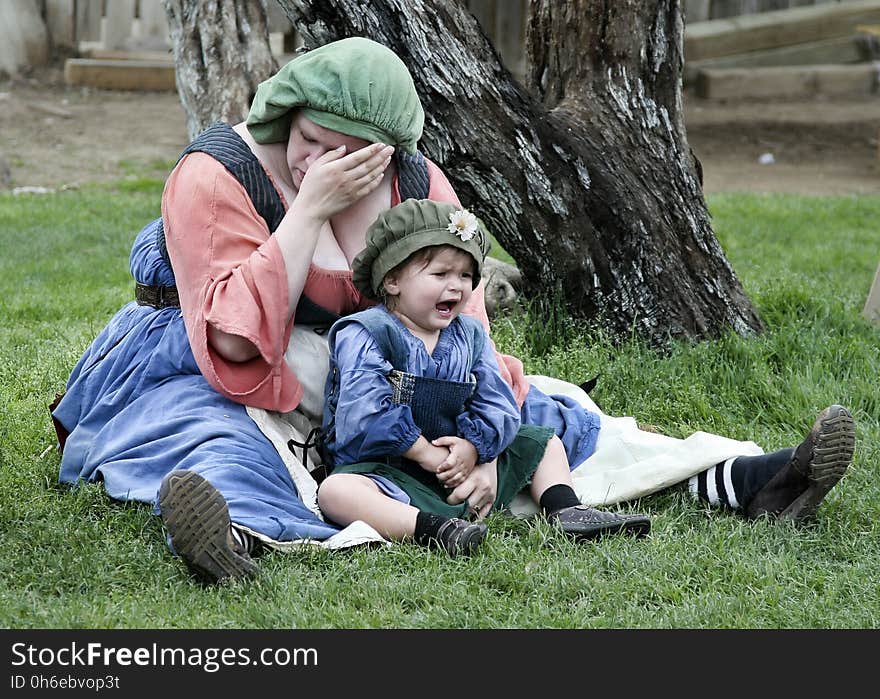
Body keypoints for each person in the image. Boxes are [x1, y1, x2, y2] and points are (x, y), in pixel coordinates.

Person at [50, 37, 856, 585]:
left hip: (383, 365)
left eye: (344, 152)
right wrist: (307, 212)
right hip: (232, 370)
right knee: (215, 441)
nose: (315, 161)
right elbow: (230, 335)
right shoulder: (216, 176)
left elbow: (463, 314)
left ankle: (752, 478)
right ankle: (228, 540)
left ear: (389, 152)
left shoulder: (418, 184)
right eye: (307, 136)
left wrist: (474, 436)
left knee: (547, 415)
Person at [318, 199, 651, 555]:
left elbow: (498, 401)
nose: (457, 286)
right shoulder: (367, 333)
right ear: (393, 279)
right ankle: (434, 529)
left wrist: (476, 449)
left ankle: (565, 509)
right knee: (336, 493)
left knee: (543, 442)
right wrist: (425, 454)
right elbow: (364, 410)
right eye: (441, 274)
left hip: (461, 467)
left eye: (465, 275)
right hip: (388, 469)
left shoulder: (469, 334)